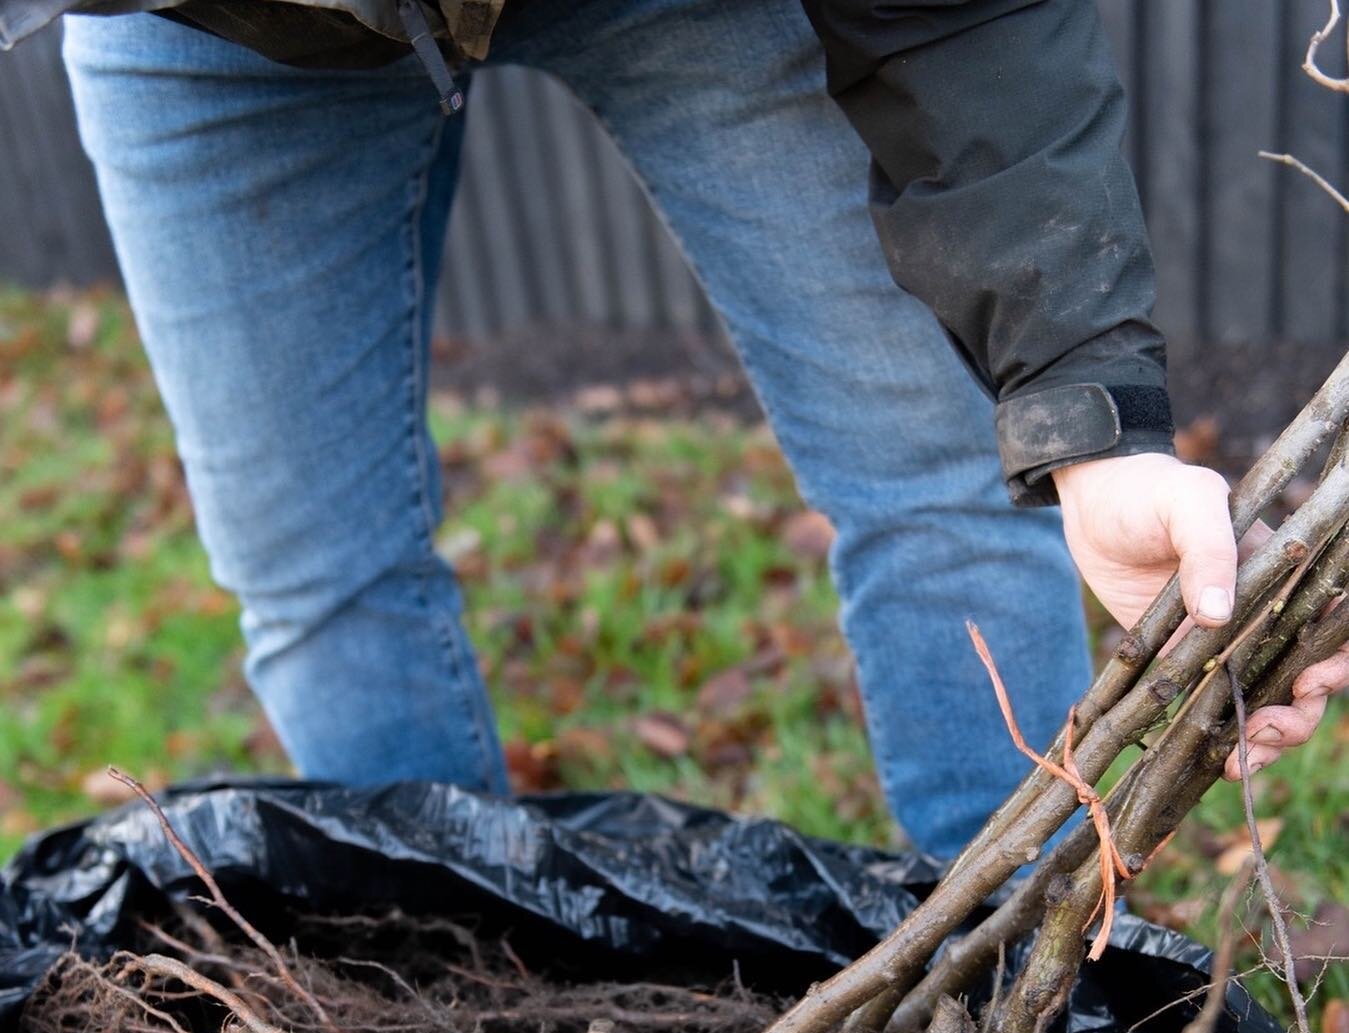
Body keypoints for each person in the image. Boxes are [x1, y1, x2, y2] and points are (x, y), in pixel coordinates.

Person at [18, 0, 1346, 858]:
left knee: (940, 480)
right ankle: (451, 1026)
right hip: (224, 33)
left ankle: (1014, 986)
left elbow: (959, 21)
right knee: (312, 578)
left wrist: (1087, 409)